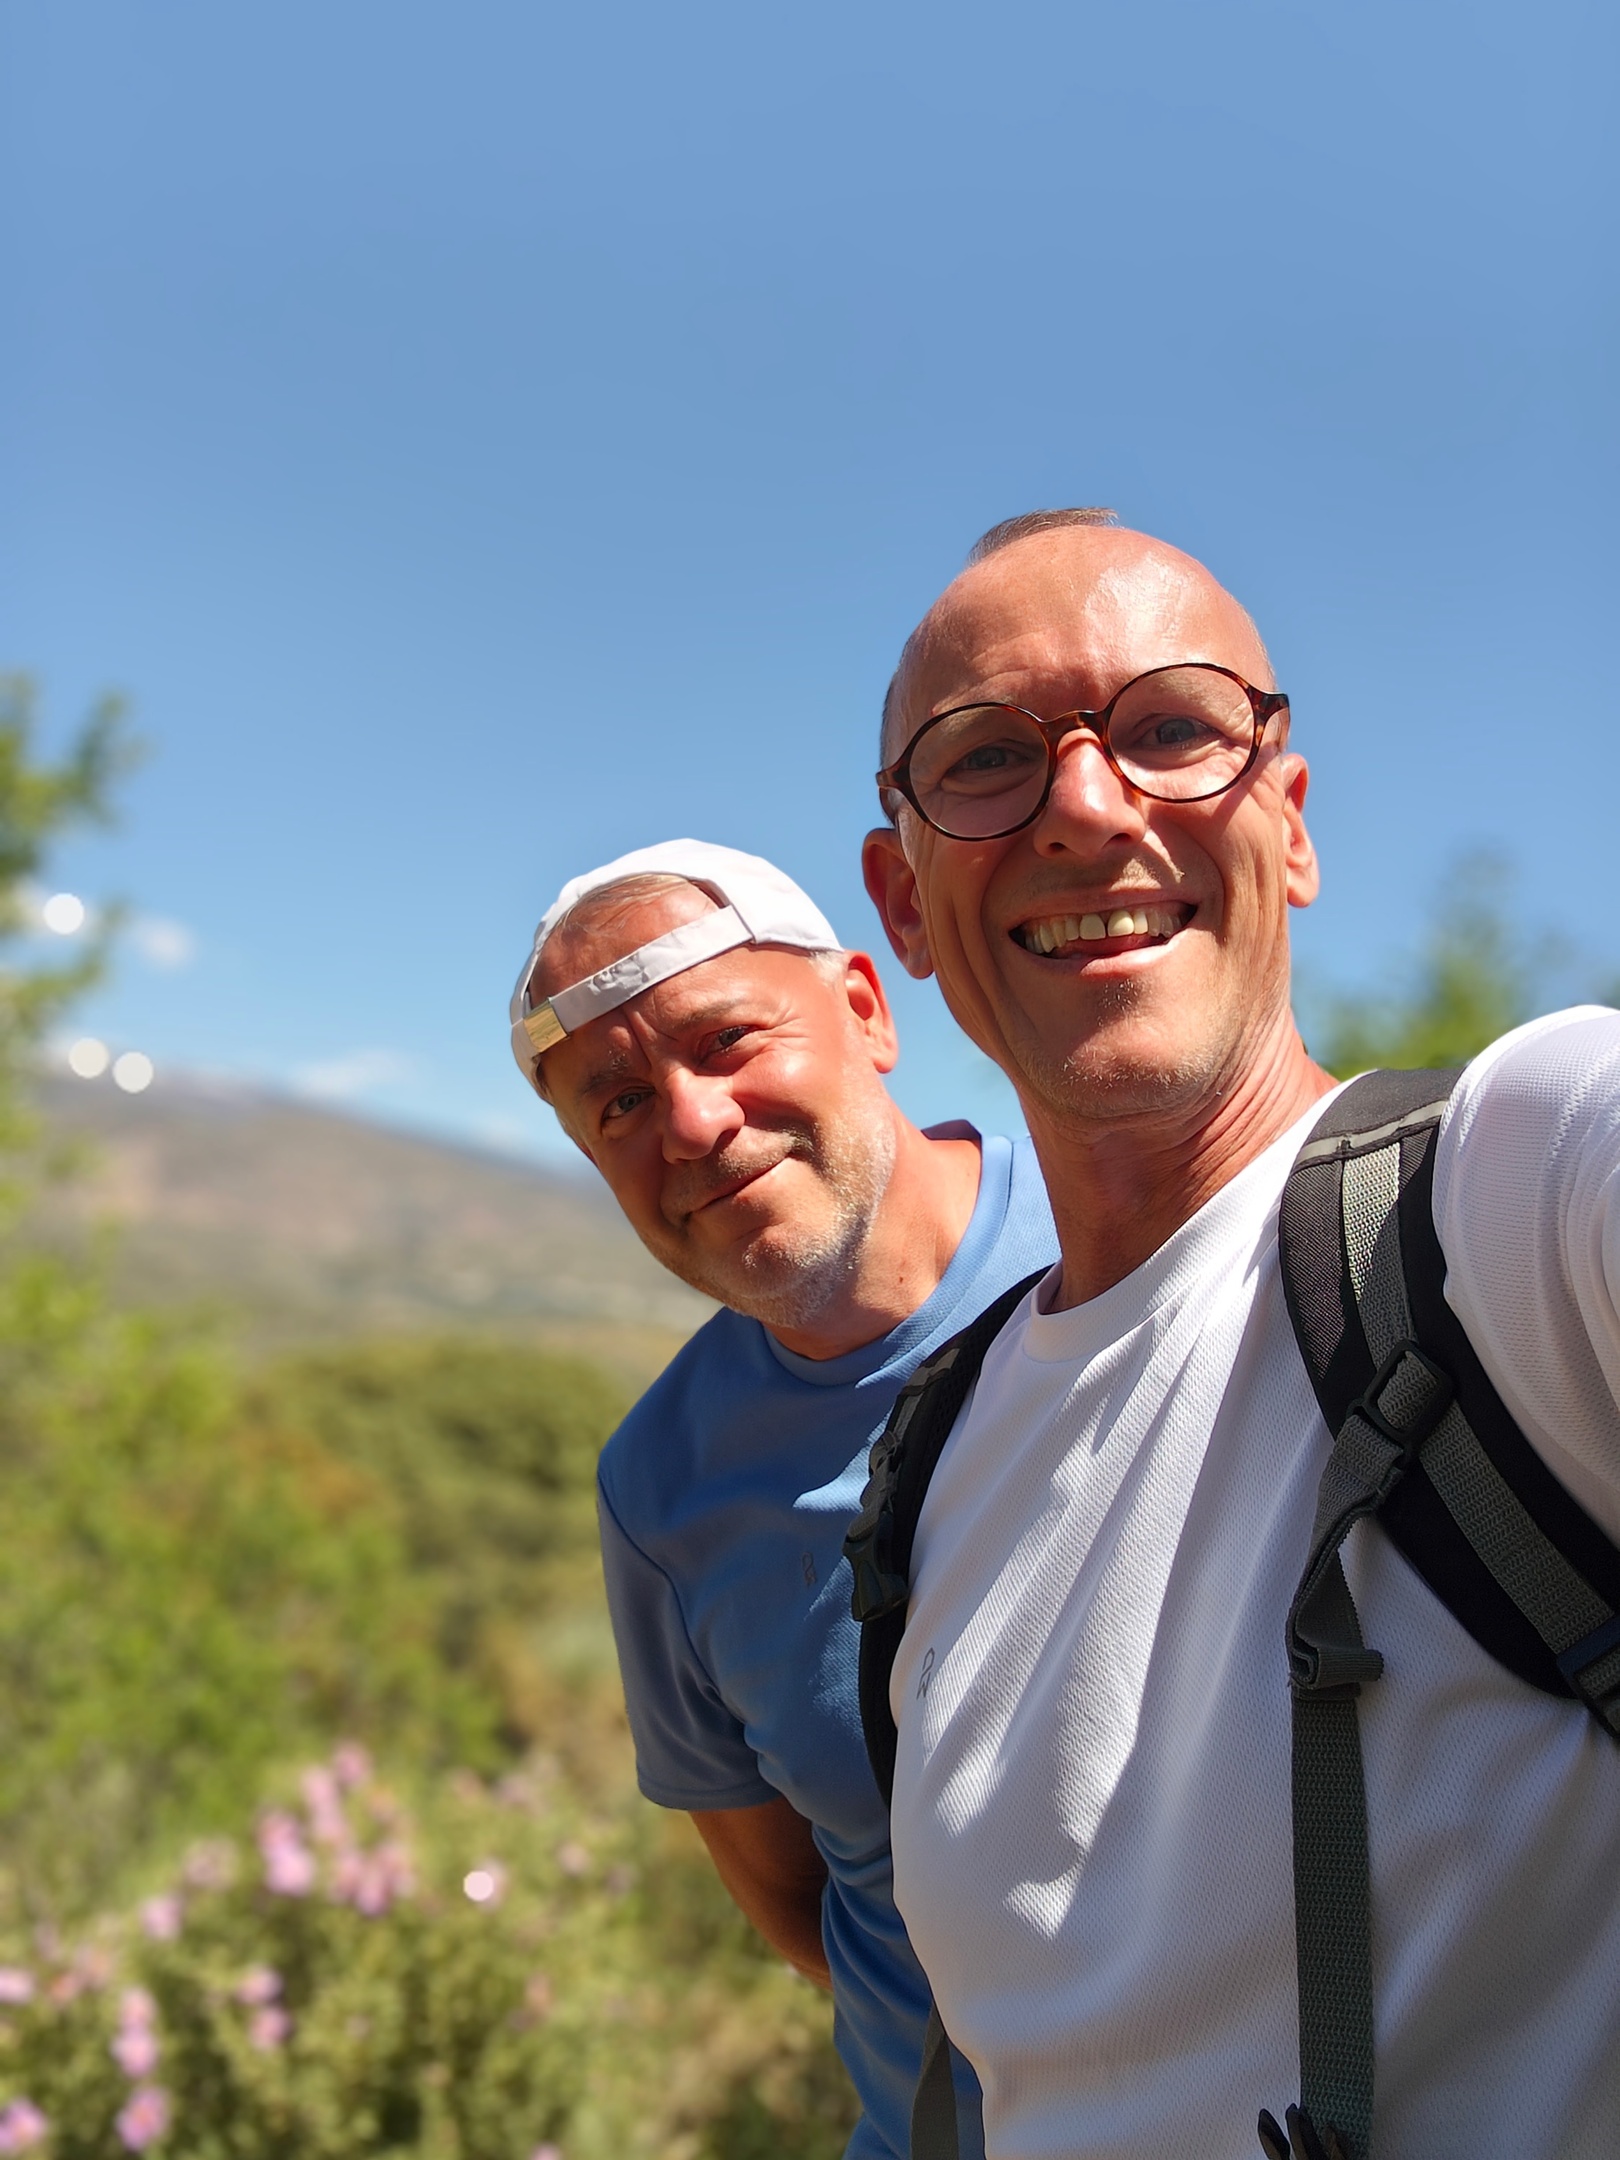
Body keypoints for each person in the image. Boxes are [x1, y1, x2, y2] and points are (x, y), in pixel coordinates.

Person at [860, 509, 1620, 2158]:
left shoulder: (1510, 1198)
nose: (1083, 804)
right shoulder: (927, 1470)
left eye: (1172, 731)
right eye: (986, 757)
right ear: (901, 904)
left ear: (1287, 820)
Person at [508, 839, 1056, 2160]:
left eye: (724, 1040)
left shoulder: (1133, 1225)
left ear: (866, 1010)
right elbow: (797, 1899)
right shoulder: (662, 1488)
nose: (691, 1125)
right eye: (619, 1106)